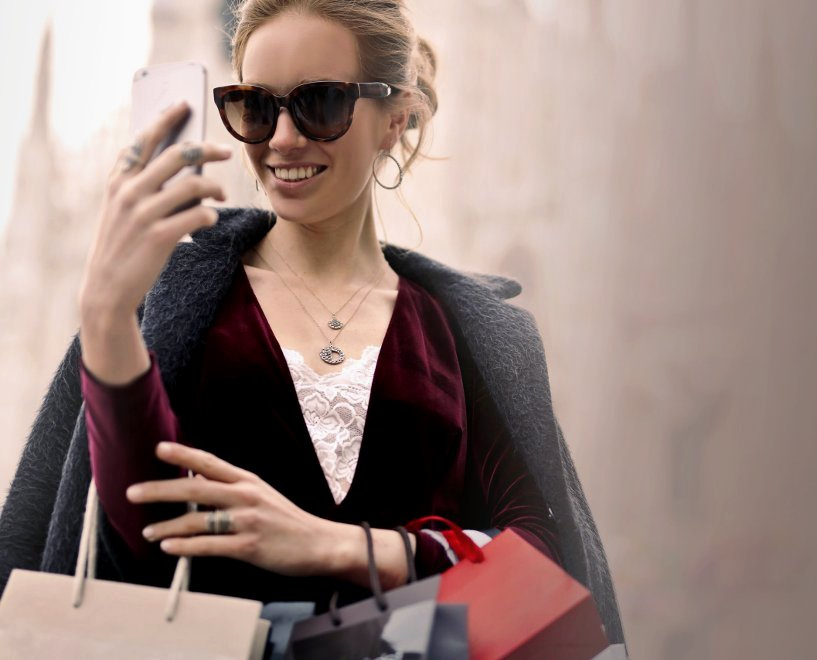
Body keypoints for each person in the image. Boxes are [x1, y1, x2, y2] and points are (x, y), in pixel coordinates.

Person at [0, 0, 625, 646]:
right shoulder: (177, 309)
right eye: (255, 107)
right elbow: (140, 542)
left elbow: (544, 571)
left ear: (395, 119)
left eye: (320, 104)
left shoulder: (464, 331)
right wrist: (106, 321)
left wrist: (340, 546)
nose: (281, 139)